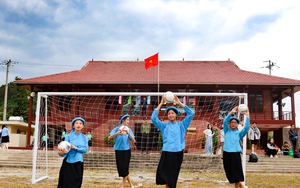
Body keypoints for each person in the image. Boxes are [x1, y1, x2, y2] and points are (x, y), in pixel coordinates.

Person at [151, 94, 195, 188]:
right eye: (169, 113)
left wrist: (179, 103)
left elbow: (191, 113)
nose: (171, 115)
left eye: (172, 113)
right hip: (167, 152)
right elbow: (153, 118)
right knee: (163, 174)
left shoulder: (182, 125)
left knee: (173, 176)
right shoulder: (164, 126)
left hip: (177, 153)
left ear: (176, 115)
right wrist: (161, 103)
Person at [222, 106, 250, 188]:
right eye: (232, 122)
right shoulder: (226, 131)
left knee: (237, 172)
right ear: (229, 124)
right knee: (229, 172)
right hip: (226, 154)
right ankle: (242, 186)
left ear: (237, 124)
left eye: (235, 122)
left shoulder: (239, 133)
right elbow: (224, 122)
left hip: (235, 154)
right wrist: (230, 113)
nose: (233, 124)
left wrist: (247, 116)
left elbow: (246, 128)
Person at [57, 117, 89, 188]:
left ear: (83, 126)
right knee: (66, 181)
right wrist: (61, 153)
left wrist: (76, 148)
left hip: (78, 161)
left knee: (77, 181)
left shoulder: (84, 138)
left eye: (80, 123)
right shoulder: (68, 136)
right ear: (73, 125)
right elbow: (64, 149)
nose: (78, 125)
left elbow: (85, 150)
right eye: (76, 123)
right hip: (68, 161)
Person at [108, 114, 136, 188]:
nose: (128, 121)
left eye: (129, 120)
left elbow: (134, 140)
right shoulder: (117, 128)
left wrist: (128, 133)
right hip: (118, 150)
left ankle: (123, 186)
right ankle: (131, 185)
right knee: (121, 169)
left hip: (127, 150)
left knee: (125, 168)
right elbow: (109, 137)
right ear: (123, 120)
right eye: (127, 120)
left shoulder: (128, 129)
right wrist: (117, 133)